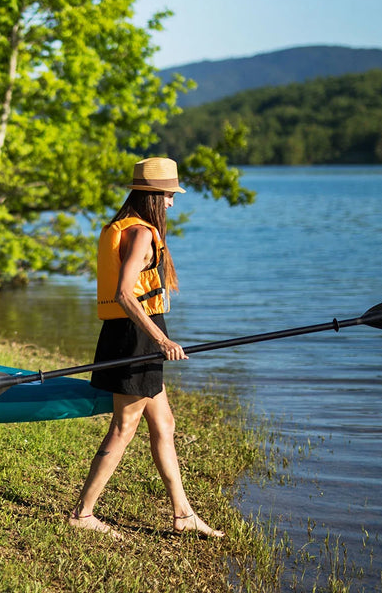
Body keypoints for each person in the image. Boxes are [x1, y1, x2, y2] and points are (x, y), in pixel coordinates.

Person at [67, 156, 224, 540]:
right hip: (135, 336)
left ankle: (183, 514)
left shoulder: (122, 226)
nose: (171, 202)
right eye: (169, 195)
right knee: (124, 426)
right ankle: (82, 513)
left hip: (134, 333)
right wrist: (161, 340)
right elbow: (124, 293)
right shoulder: (139, 233)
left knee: (164, 424)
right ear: (153, 196)